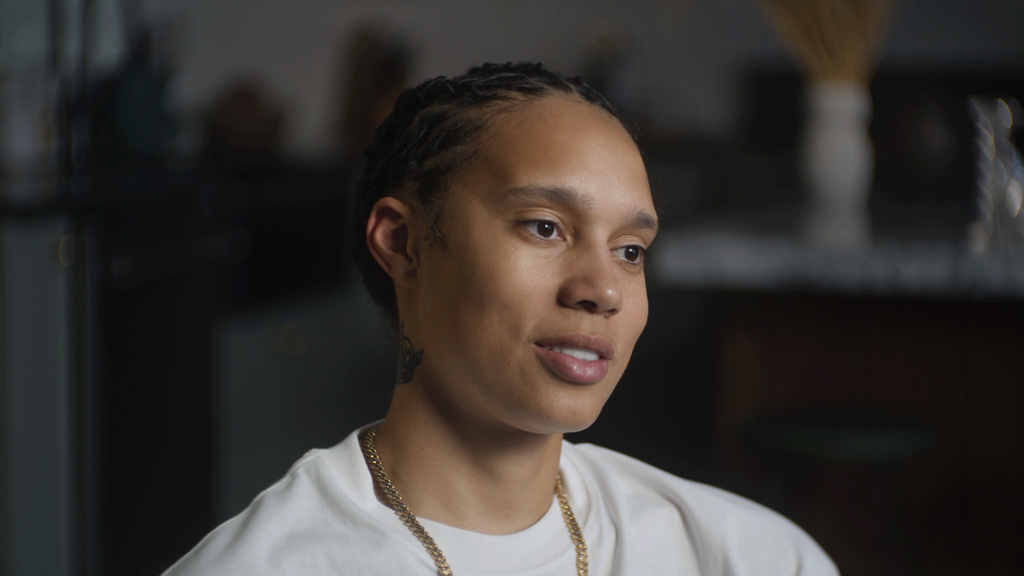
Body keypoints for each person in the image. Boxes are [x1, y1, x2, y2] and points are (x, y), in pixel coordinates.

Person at [162, 62, 838, 575]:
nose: (602, 289)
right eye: (545, 227)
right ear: (403, 243)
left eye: (630, 251)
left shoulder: (748, 557)